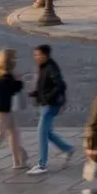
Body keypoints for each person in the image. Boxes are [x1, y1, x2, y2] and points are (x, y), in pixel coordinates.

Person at [28, 44, 73, 174]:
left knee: (41, 133)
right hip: (45, 104)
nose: (35, 57)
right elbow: (45, 85)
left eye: (38, 55)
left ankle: (42, 165)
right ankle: (68, 149)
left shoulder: (51, 67)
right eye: (34, 54)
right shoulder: (43, 66)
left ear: (45, 55)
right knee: (48, 133)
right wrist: (36, 93)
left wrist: (47, 97)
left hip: (50, 105)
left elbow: (60, 85)